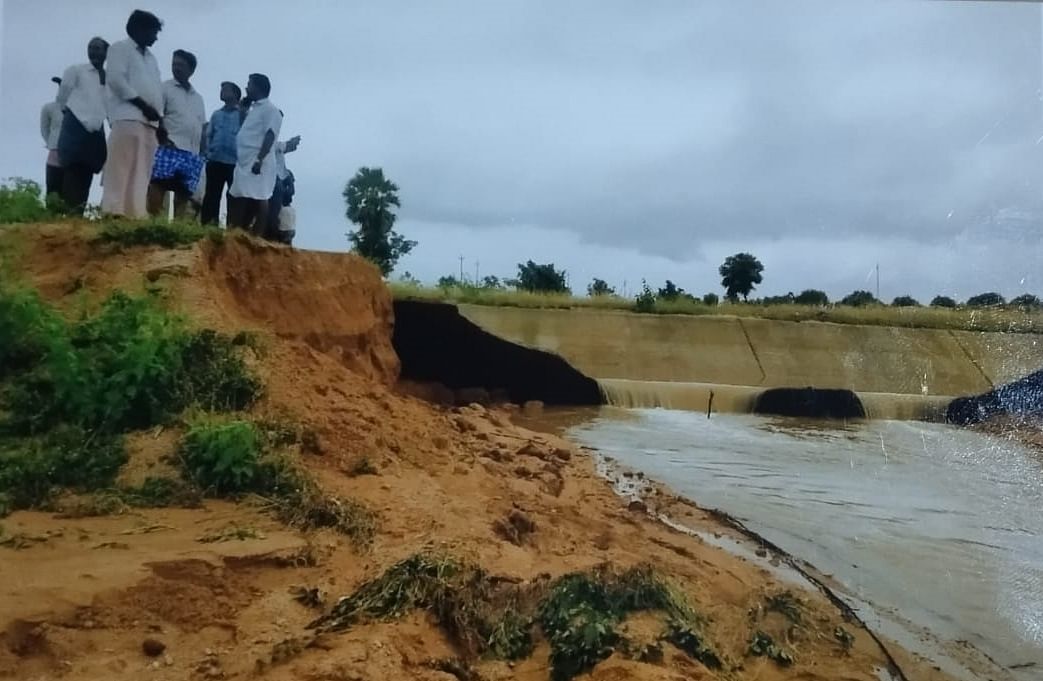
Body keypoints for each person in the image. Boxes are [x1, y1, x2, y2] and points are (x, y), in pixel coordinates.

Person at [101, 9, 164, 218]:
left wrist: (160, 122)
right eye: (153, 32)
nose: (155, 37)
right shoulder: (120, 49)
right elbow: (116, 81)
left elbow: (156, 90)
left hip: (150, 124)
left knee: (142, 171)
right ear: (139, 29)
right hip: (128, 116)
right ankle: (113, 211)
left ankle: (135, 214)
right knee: (120, 167)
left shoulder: (152, 59)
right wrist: (143, 105)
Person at [147, 49, 206, 218]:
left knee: (185, 193)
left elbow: (201, 126)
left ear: (191, 70)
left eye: (181, 65)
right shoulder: (165, 88)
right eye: (174, 64)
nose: (176, 68)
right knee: (159, 185)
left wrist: (202, 153)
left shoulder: (198, 98)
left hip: (192, 152)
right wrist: (163, 139)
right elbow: (158, 115)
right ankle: (153, 224)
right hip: (170, 146)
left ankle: (179, 230)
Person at [56, 37, 109, 215]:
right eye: (91, 47)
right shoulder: (76, 70)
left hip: (95, 129)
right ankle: (69, 216)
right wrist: (70, 116)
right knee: (72, 171)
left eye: (98, 48)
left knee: (87, 173)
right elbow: (63, 96)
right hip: (76, 124)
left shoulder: (108, 78)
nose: (93, 51)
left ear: (106, 53)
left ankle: (78, 216)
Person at [228, 74, 281, 234]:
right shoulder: (254, 109)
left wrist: (260, 159)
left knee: (260, 196)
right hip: (245, 160)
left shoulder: (271, 110)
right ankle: (236, 231)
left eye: (249, 84)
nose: (246, 88)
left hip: (259, 159)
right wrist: (243, 111)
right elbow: (246, 130)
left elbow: (270, 135)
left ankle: (258, 234)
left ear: (258, 87)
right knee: (239, 194)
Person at [200, 81, 242, 225]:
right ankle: (208, 227)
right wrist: (208, 152)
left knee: (234, 197)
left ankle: (232, 229)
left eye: (225, 89)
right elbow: (208, 135)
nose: (222, 92)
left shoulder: (243, 115)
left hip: (235, 163)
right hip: (215, 160)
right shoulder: (216, 114)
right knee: (212, 196)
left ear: (235, 94)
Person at [265, 133, 300, 238]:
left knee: (285, 213)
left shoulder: (287, 174)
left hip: (278, 184)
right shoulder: (269, 145)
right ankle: (270, 232)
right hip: (269, 182)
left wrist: (291, 143)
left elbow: (286, 147)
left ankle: (276, 233)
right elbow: (284, 147)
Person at [40, 77, 65, 198]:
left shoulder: (79, 109)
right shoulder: (49, 108)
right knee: (53, 190)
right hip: (55, 151)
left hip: (74, 155)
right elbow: (44, 128)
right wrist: (52, 143)